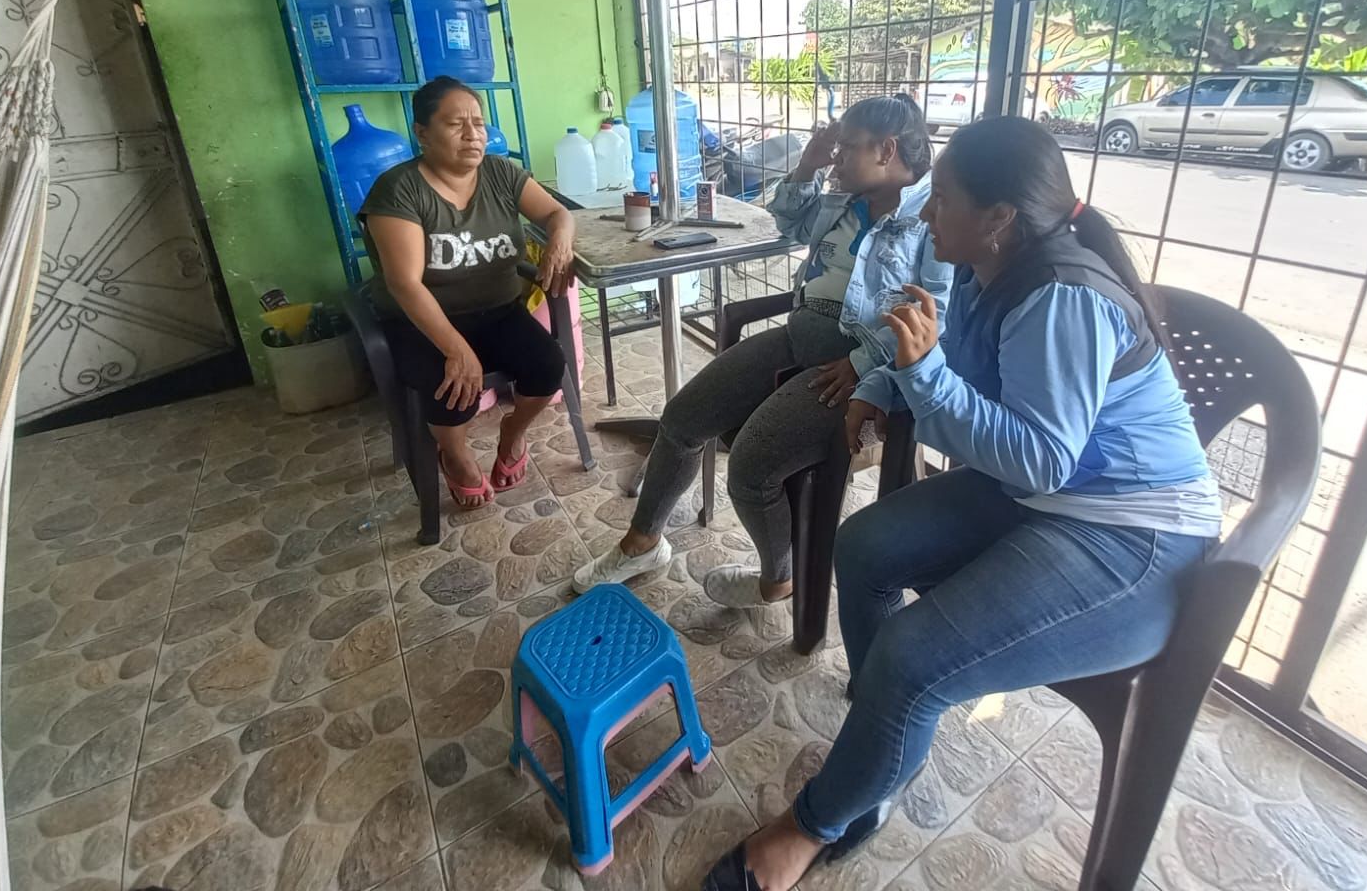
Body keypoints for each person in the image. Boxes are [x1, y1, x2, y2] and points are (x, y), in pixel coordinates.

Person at [703, 115, 1221, 890]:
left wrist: (924, 377)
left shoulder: (1060, 297)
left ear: (1000, 217)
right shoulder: (989, 272)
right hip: (1045, 497)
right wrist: (888, 383)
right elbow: (952, 362)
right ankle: (884, 729)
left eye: (942, 199)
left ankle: (813, 823)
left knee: (912, 660)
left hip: (1132, 534)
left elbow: (1041, 459)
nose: (926, 213)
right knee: (863, 549)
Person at [573, 95, 952, 608]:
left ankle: (780, 579)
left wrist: (861, 363)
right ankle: (643, 543)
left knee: (752, 466)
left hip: (860, 369)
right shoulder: (849, 199)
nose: (837, 158)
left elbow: (935, 313)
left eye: (846, 148)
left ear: (886, 150)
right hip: (802, 334)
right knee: (682, 419)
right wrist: (807, 166)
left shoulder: (932, 219)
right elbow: (787, 223)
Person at [361, 76, 576, 509]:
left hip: (497, 310)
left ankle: (513, 432)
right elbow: (404, 283)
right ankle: (455, 455)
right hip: (422, 321)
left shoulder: (500, 172)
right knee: (452, 391)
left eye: (478, 123)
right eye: (455, 123)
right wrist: (457, 349)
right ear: (422, 133)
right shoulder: (399, 190)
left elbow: (557, 212)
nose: (472, 134)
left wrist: (559, 240)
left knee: (548, 366)